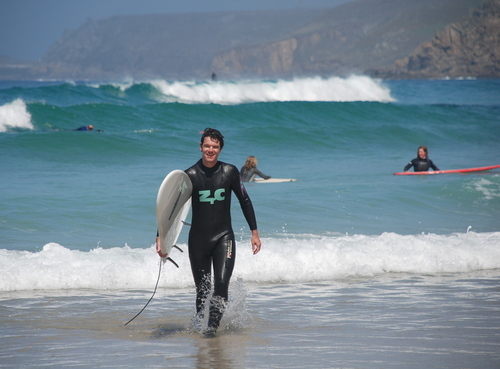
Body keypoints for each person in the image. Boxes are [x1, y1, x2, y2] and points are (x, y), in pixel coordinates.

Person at [160, 128, 262, 337]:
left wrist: (254, 232)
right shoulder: (190, 175)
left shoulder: (230, 172)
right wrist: (161, 238)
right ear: (200, 147)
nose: (210, 150)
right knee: (203, 291)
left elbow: (244, 200)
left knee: (221, 286)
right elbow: (171, 208)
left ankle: (211, 332)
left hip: (224, 237)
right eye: (207, 146)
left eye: (215, 147)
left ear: (220, 149)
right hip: (198, 240)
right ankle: (199, 326)